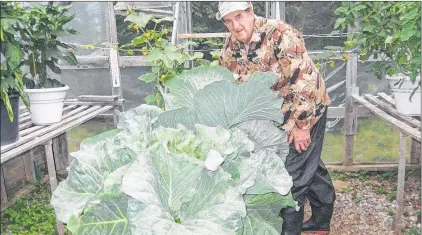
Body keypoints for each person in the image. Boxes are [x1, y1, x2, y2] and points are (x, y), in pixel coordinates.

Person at [216, 2, 336, 235]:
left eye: (239, 17)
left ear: (251, 12)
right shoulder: (232, 43)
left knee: (292, 177)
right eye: (229, 21)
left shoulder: (282, 35)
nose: (236, 26)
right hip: (276, 114)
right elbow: (227, 82)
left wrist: (301, 126)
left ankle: (288, 231)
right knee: (309, 164)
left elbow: (305, 84)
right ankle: (321, 223)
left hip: (306, 109)